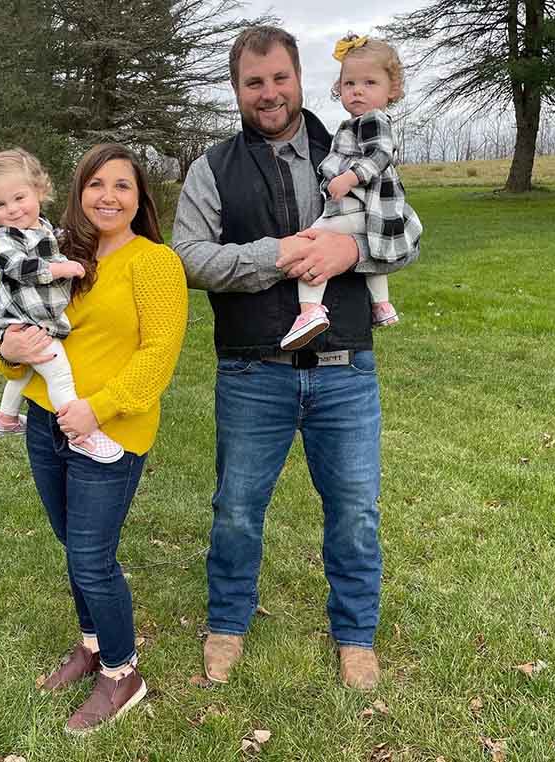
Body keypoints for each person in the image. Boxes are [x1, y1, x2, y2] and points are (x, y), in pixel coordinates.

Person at [172, 26, 419, 690]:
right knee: (236, 508)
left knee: (356, 511)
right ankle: (226, 623)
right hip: (254, 372)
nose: (269, 93)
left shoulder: (350, 145)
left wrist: (352, 253)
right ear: (237, 89)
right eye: (254, 82)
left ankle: (356, 636)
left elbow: (407, 235)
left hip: (346, 371)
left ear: (299, 78)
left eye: (279, 78)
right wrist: (276, 255)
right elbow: (191, 258)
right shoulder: (212, 167)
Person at [0, 143, 188, 732]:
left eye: (122, 185)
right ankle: (93, 644)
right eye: (96, 184)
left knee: (93, 558)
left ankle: (123, 674)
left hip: (109, 429)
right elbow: (12, 321)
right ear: (76, 194)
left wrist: (98, 410)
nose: (107, 196)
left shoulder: (154, 262)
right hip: (45, 420)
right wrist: (3, 350)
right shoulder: (55, 251)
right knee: (72, 547)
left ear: (139, 197)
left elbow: (158, 356)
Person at [0, 147, 123, 463]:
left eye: (19, 198)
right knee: (58, 372)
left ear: (39, 191)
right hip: (21, 320)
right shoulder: (4, 240)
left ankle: (5, 418)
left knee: (26, 371)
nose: (13, 209)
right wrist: (61, 269)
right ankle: (80, 434)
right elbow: (21, 268)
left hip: (34, 317)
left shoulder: (42, 227)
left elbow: (60, 240)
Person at [280, 33, 422, 350]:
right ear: (339, 88)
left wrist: (350, 178)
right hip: (372, 211)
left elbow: (380, 155)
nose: (358, 90)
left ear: (392, 89)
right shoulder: (357, 122)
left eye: (370, 83)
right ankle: (382, 306)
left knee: (311, 243)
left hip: (359, 206)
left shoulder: (372, 120)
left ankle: (310, 311)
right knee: (373, 248)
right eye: (349, 84)